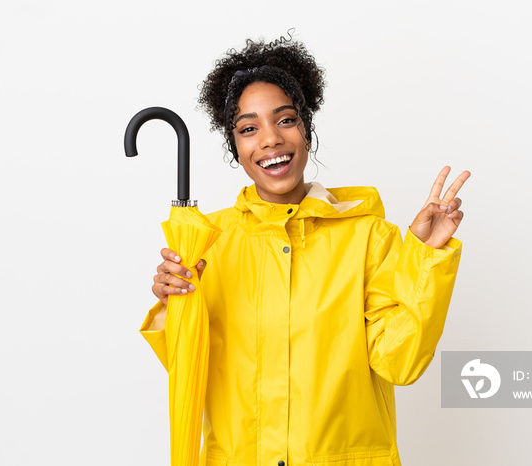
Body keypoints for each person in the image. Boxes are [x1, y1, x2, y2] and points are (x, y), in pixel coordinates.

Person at [141, 35, 470, 466]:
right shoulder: (208, 242)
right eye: (248, 128)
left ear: (307, 130)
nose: (270, 139)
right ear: (235, 148)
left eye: (286, 120)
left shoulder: (369, 238)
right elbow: (189, 372)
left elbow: (400, 362)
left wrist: (424, 255)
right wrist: (173, 306)